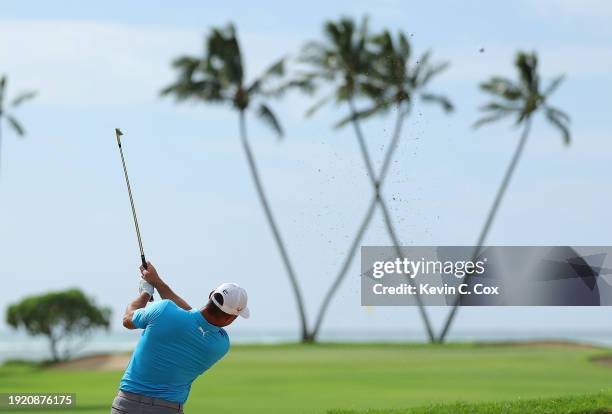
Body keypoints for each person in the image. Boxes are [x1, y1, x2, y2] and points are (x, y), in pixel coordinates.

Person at [110, 261, 249, 414]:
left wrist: (146, 292)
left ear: (210, 295)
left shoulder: (163, 309)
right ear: (231, 319)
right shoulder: (220, 344)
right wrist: (157, 282)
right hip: (167, 409)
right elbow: (192, 317)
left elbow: (128, 319)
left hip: (125, 404)